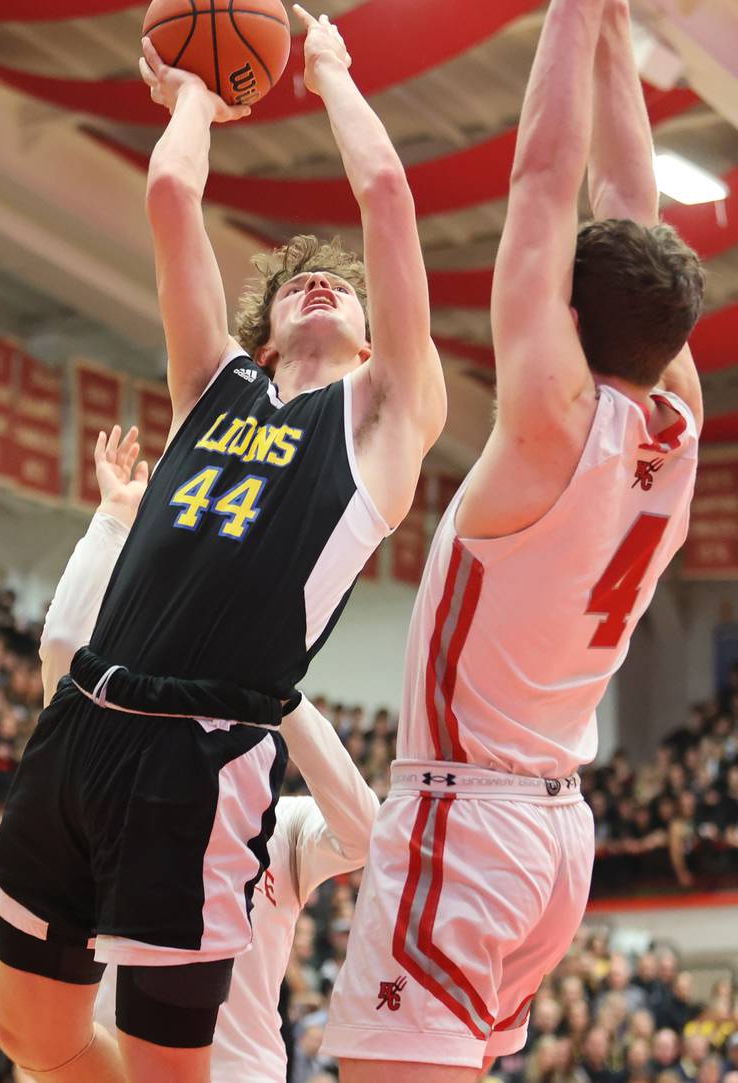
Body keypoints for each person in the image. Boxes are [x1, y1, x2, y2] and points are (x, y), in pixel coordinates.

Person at [0, 6, 444, 1081]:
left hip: (200, 757)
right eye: (292, 285)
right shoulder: (212, 391)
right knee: (28, 1037)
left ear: (375, 340)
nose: (317, 282)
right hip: (84, 715)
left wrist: (326, 72)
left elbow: (385, 198)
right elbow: (169, 195)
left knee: (163, 1071)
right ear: (262, 328)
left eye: (338, 286)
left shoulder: (380, 426)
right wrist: (195, 93)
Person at [323, 0, 703, 1078]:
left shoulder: (549, 417)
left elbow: (544, 178)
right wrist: (609, 29)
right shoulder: (675, 428)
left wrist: (576, 13)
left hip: (468, 820)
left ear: (568, 320)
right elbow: (626, 199)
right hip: (548, 836)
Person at [30, 425, 378, 1083]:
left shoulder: (283, 820)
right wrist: (111, 523)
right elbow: (61, 658)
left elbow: (365, 834)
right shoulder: (116, 776)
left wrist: (287, 700)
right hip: (115, 1067)